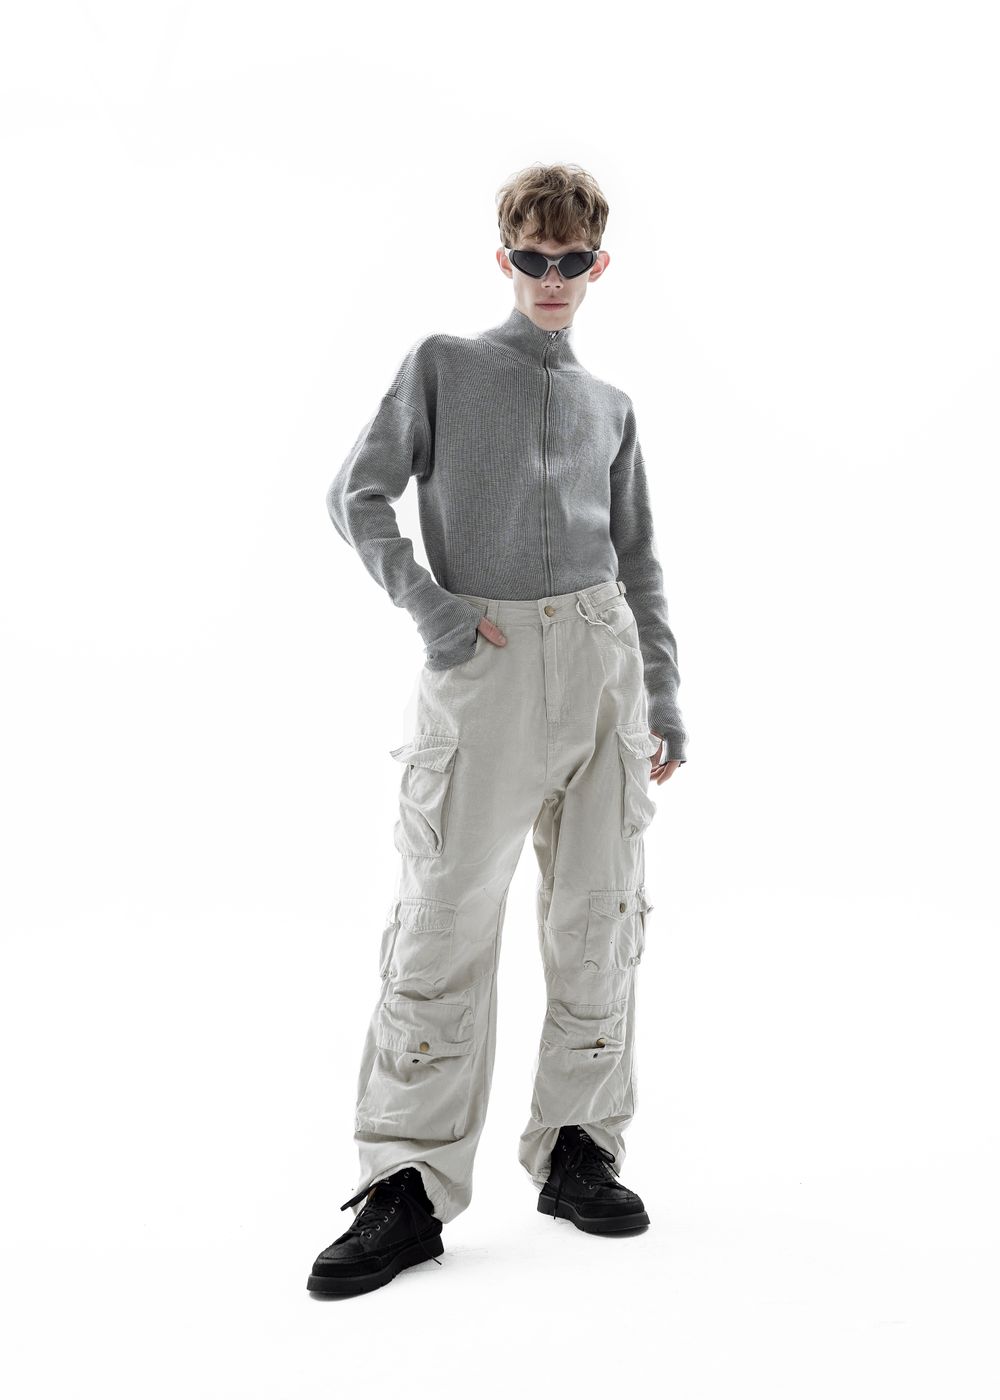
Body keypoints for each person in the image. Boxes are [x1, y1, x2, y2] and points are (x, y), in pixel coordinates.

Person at [307, 162, 688, 1297]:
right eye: (533, 257)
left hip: (603, 665)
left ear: (599, 265)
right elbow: (354, 494)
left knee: (598, 914)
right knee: (442, 920)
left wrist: (663, 695)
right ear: (504, 258)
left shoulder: (609, 405)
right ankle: (406, 1181)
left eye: (572, 261)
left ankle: (578, 1147)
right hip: (487, 668)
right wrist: (433, 611)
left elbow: (638, 559)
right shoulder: (445, 365)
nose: (552, 277)